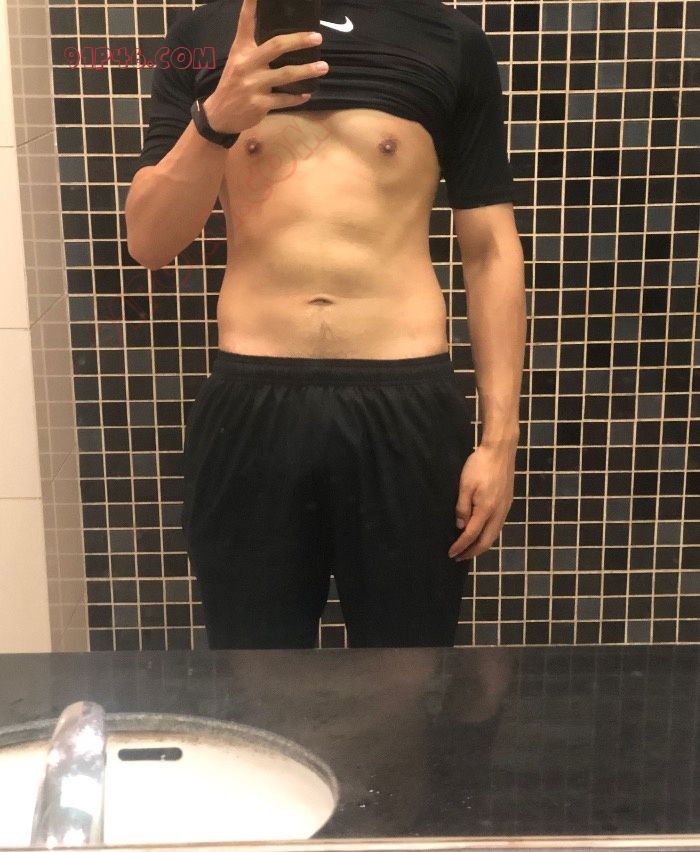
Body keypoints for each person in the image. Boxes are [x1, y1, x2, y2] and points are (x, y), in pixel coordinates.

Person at [125, 0, 526, 650]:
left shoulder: (449, 39)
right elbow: (149, 241)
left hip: (405, 405)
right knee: (255, 680)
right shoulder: (202, 36)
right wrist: (216, 120)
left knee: (407, 677)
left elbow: (489, 248)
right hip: (251, 404)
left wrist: (500, 442)